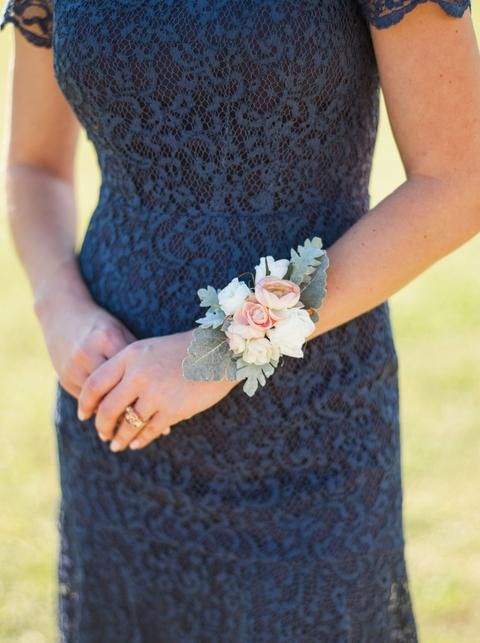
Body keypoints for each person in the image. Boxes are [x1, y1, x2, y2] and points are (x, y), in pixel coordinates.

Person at [1, 0, 479, 640]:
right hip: (119, 422)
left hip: (307, 436)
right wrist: (60, 308)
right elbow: (33, 164)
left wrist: (227, 349)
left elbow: (460, 178)